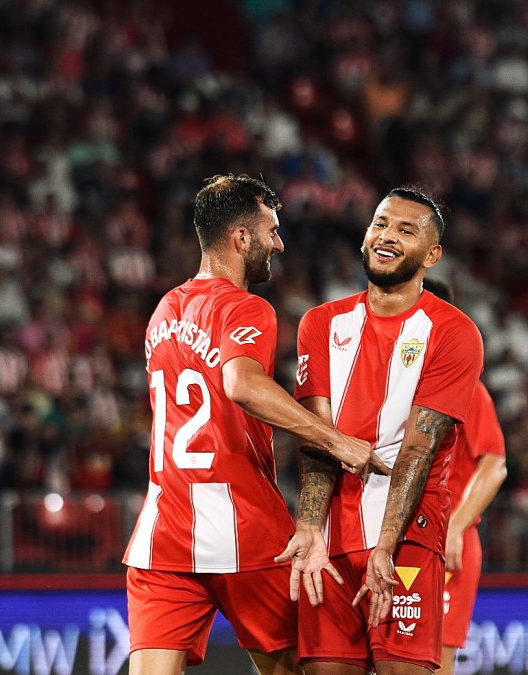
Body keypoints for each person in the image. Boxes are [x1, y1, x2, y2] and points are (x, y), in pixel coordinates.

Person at [123, 175, 380, 675]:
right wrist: (336, 439)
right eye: (272, 231)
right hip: (245, 527)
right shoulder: (246, 307)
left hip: (163, 533)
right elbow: (241, 384)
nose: (278, 244)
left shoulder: (163, 311)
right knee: (294, 670)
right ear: (241, 238)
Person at [278, 187, 484, 674]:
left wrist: (385, 547)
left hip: (407, 534)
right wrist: (309, 526)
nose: (387, 237)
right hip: (330, 537)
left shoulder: (454, 333)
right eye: (380, 224)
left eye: (405, 230)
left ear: (431, 255)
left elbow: (419, 447)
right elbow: (317, 436)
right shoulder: (320, 324)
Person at [421, 279, 508, 675]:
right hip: (387, 538)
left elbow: (495, 464)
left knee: (434, 663)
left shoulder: (465, 387)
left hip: (444, 544)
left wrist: (455, 526)